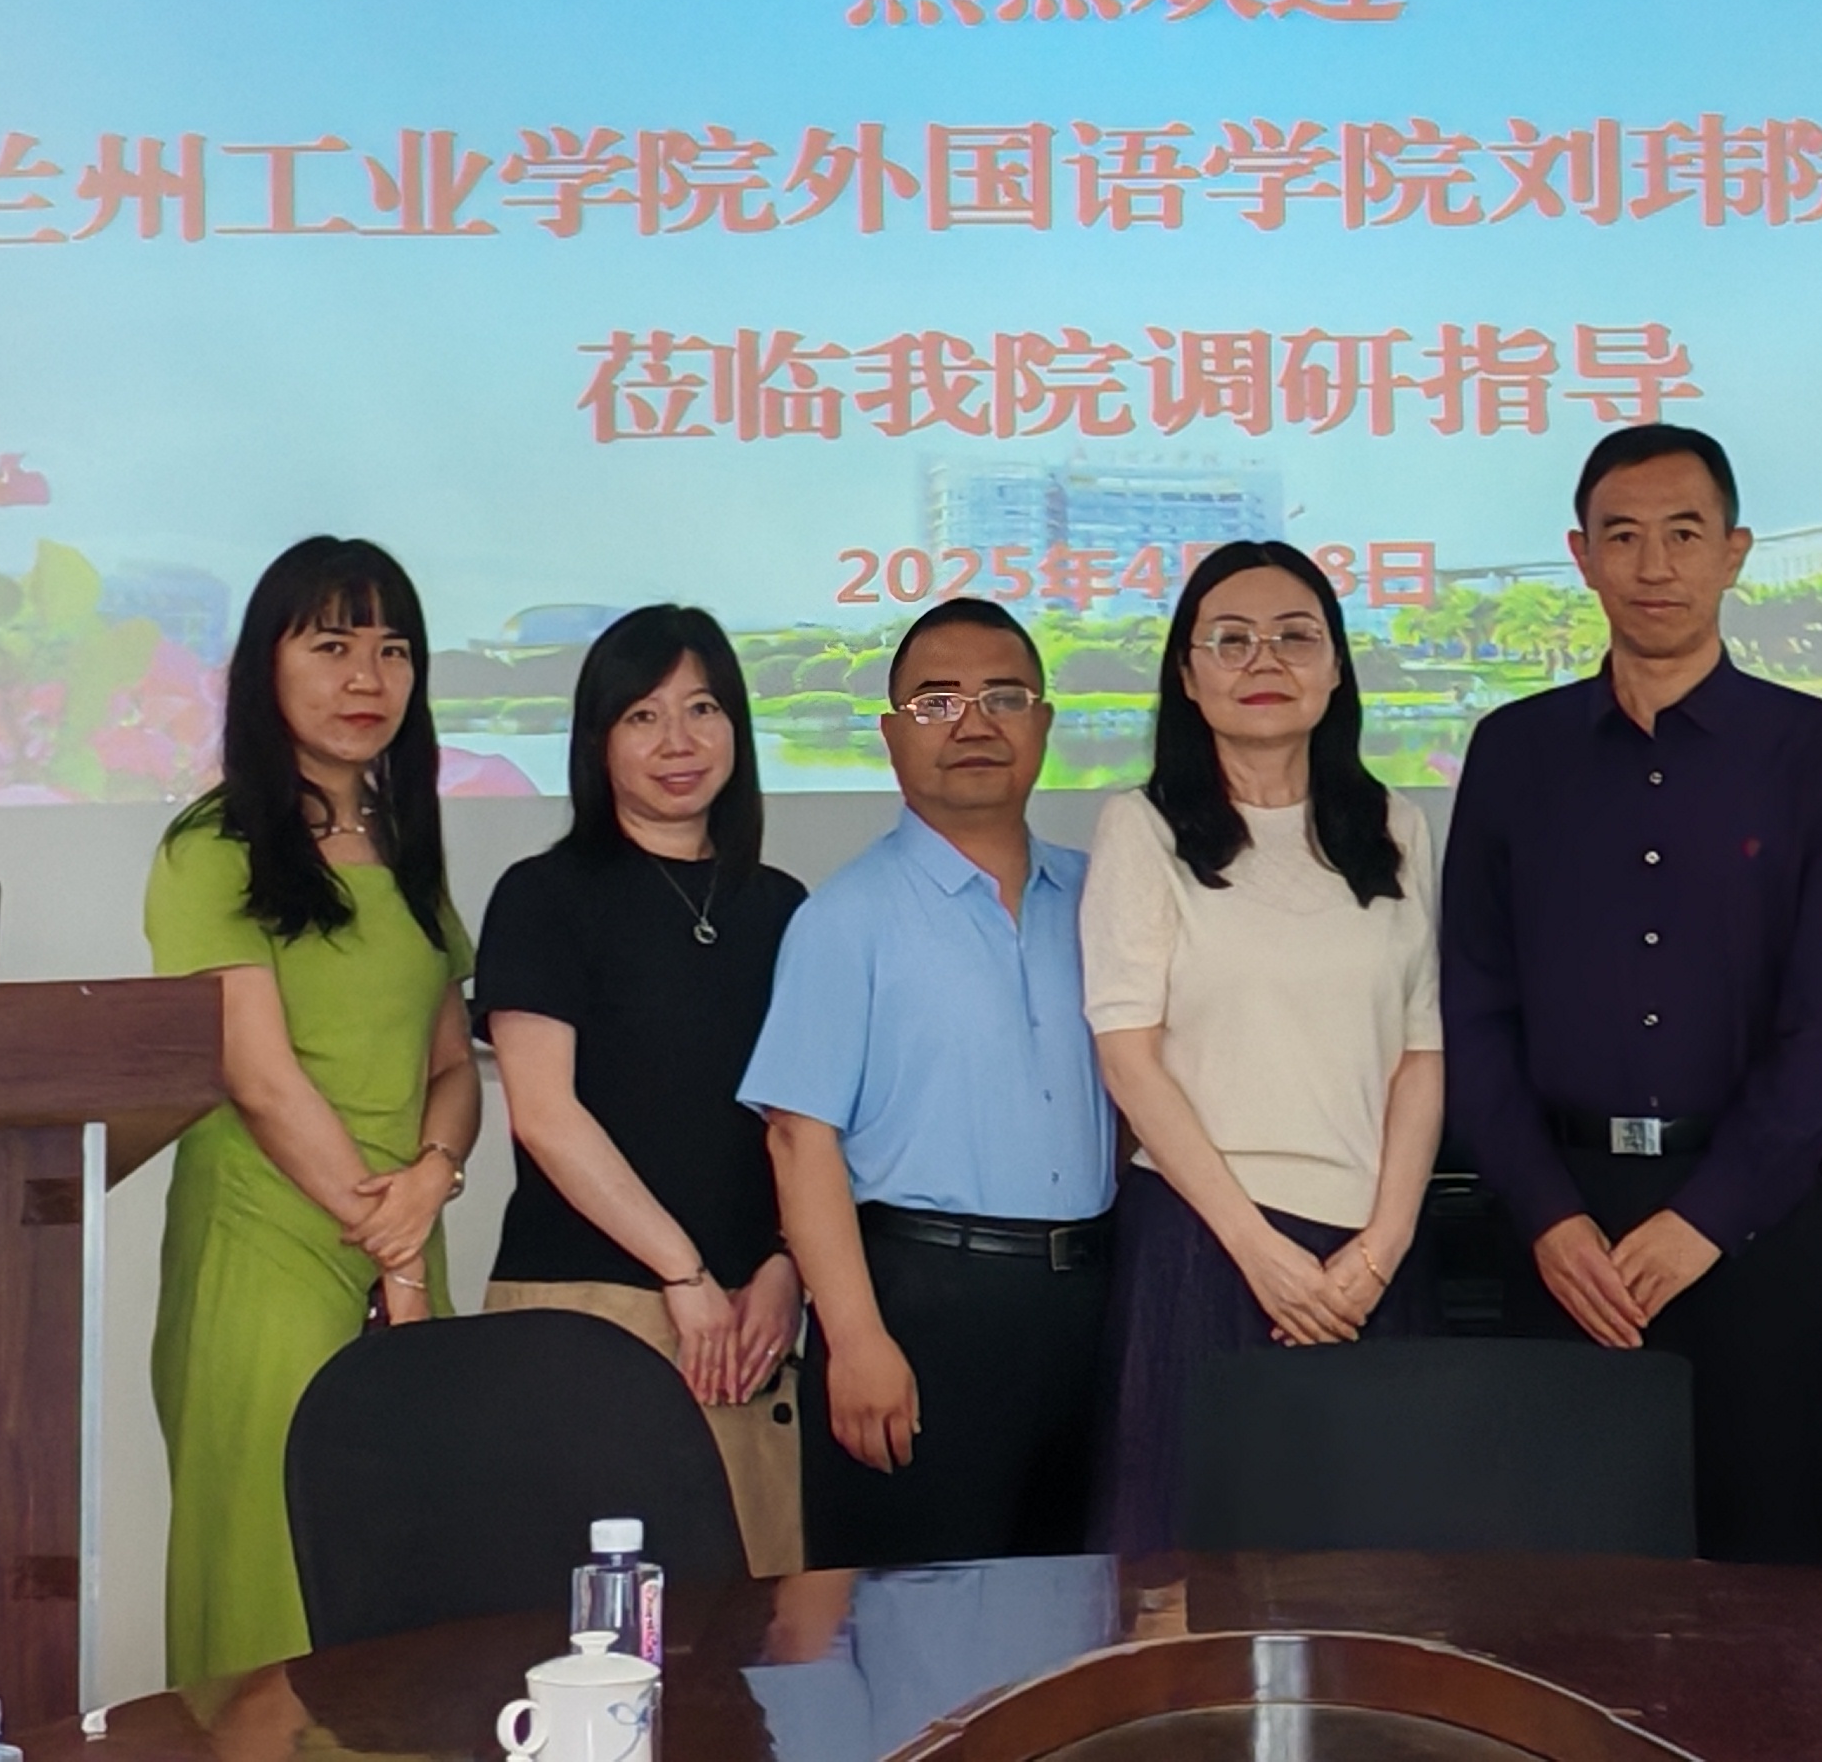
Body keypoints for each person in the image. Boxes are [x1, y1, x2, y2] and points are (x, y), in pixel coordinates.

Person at [1439, 422, 1822, 1563]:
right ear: (1580, 556)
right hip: (1561, 1233)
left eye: (1684, 535)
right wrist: (1546, 1217)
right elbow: (1474, 1006)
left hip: (1750, 1225)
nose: (1654, 566)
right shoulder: (1513, 752)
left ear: (1734, 553)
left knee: (1761, 1583)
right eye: (1623, 536)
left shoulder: (1817, 752)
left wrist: (1706, 1220)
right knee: (1562, 1585)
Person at [144, 536, 482, 1688]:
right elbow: (262, 1077)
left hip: (400, 1233)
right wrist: (395, 1249)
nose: (367, 679)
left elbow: (452, 1064)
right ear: (265, 668)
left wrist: (433, 1176)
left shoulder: (406, 845)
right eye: (332, 647)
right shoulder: (211, 848)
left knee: (402, 1572)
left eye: (393, 650)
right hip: (270, 1245)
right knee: (274, 1579)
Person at [1082, 540, 1445, 1552]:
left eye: (1295, 637)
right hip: (1205, 1245)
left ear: (1335, 669)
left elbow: (1421, 1053)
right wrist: (1259, 1252)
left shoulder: (1396, 827)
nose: (1264, 662)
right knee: (1192, 1578)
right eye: (1231, 641)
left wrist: (1382, 1247)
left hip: (1370, 1255)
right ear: (1187, 675)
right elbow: (1127, 1057)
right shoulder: (1142, 829)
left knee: (1374, 1580)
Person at [742, 596, 1114, 1566]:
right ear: (890, 734)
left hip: (1096, 1302)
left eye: (1004, 696)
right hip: (923, 1306)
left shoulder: (1104, 897)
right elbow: (798, 1138)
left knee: (1083, 1611)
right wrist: (854, 1339)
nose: (974, 723)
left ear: (1044, 722)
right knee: (915, 1620)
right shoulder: (845, 917)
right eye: (937, 702)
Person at [477, 603, 812, 1574]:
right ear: (597, 740)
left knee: (754, 1619)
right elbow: (545, 1116)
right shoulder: (544, 895)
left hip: (748, 1321)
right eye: (643, 716)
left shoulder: (785, 907)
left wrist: (788, 1269)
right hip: (587, 1307)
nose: (679, 742)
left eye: (703, 710)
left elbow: (809, 1122)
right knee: (577, 1617)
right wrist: (683, 1275)